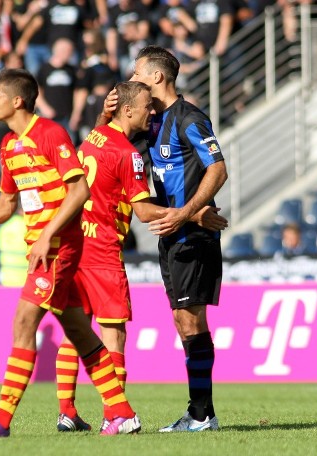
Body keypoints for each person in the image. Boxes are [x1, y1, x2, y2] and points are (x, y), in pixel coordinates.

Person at [0, 68, 141, 437]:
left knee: (24, 320)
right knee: (78, 330)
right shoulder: (9, 144)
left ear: (17, 101)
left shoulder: (50, 133)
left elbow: (79, 192)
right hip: (41, 247)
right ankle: (122, 413)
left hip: (58, 248)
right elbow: (9, 201)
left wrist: (46, 236)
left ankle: (1, 420)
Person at [55, 80, 228, 433]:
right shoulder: (128, 154)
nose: (152, 112)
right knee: (113, 335)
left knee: (76, 330)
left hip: (77, 243)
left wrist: (104, 113)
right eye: (146, 106)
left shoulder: (96, 135)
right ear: (129, 111)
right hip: (103, 250)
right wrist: (193, 214)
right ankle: (116, 414)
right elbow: (145, 213)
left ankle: (67, 411)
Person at [100, 45, 228, 432]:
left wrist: (188, 212)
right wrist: (106, 113)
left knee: (190, 320)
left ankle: (203, 415)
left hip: (192, 233)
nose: (132, 77)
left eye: (137, 71)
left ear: (157, 77)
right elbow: (103, 146)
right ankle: (200, 412)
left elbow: (218, 169)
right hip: (169, 233)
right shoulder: (149, 121)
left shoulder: (189, 118)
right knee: (182, 320)